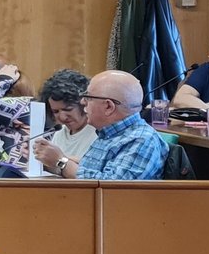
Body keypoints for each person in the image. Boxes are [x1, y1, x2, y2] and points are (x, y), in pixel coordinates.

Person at [36, 71, 167, 181]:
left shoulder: (142, 139)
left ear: (108, 106)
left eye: (88, 97)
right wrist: (47, 159)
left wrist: (61, 161)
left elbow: (111, 187)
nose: (83, 102)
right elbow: (90, 171)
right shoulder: (107, 134)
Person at [34, 67, 97, 167]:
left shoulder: (98, 133)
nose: (62, 117)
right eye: (55, 111)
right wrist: (37, 156)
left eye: (68, 109)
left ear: (84, 103)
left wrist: (58, 158)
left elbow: (91, 169)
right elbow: (57, 169)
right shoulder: (60, 133)